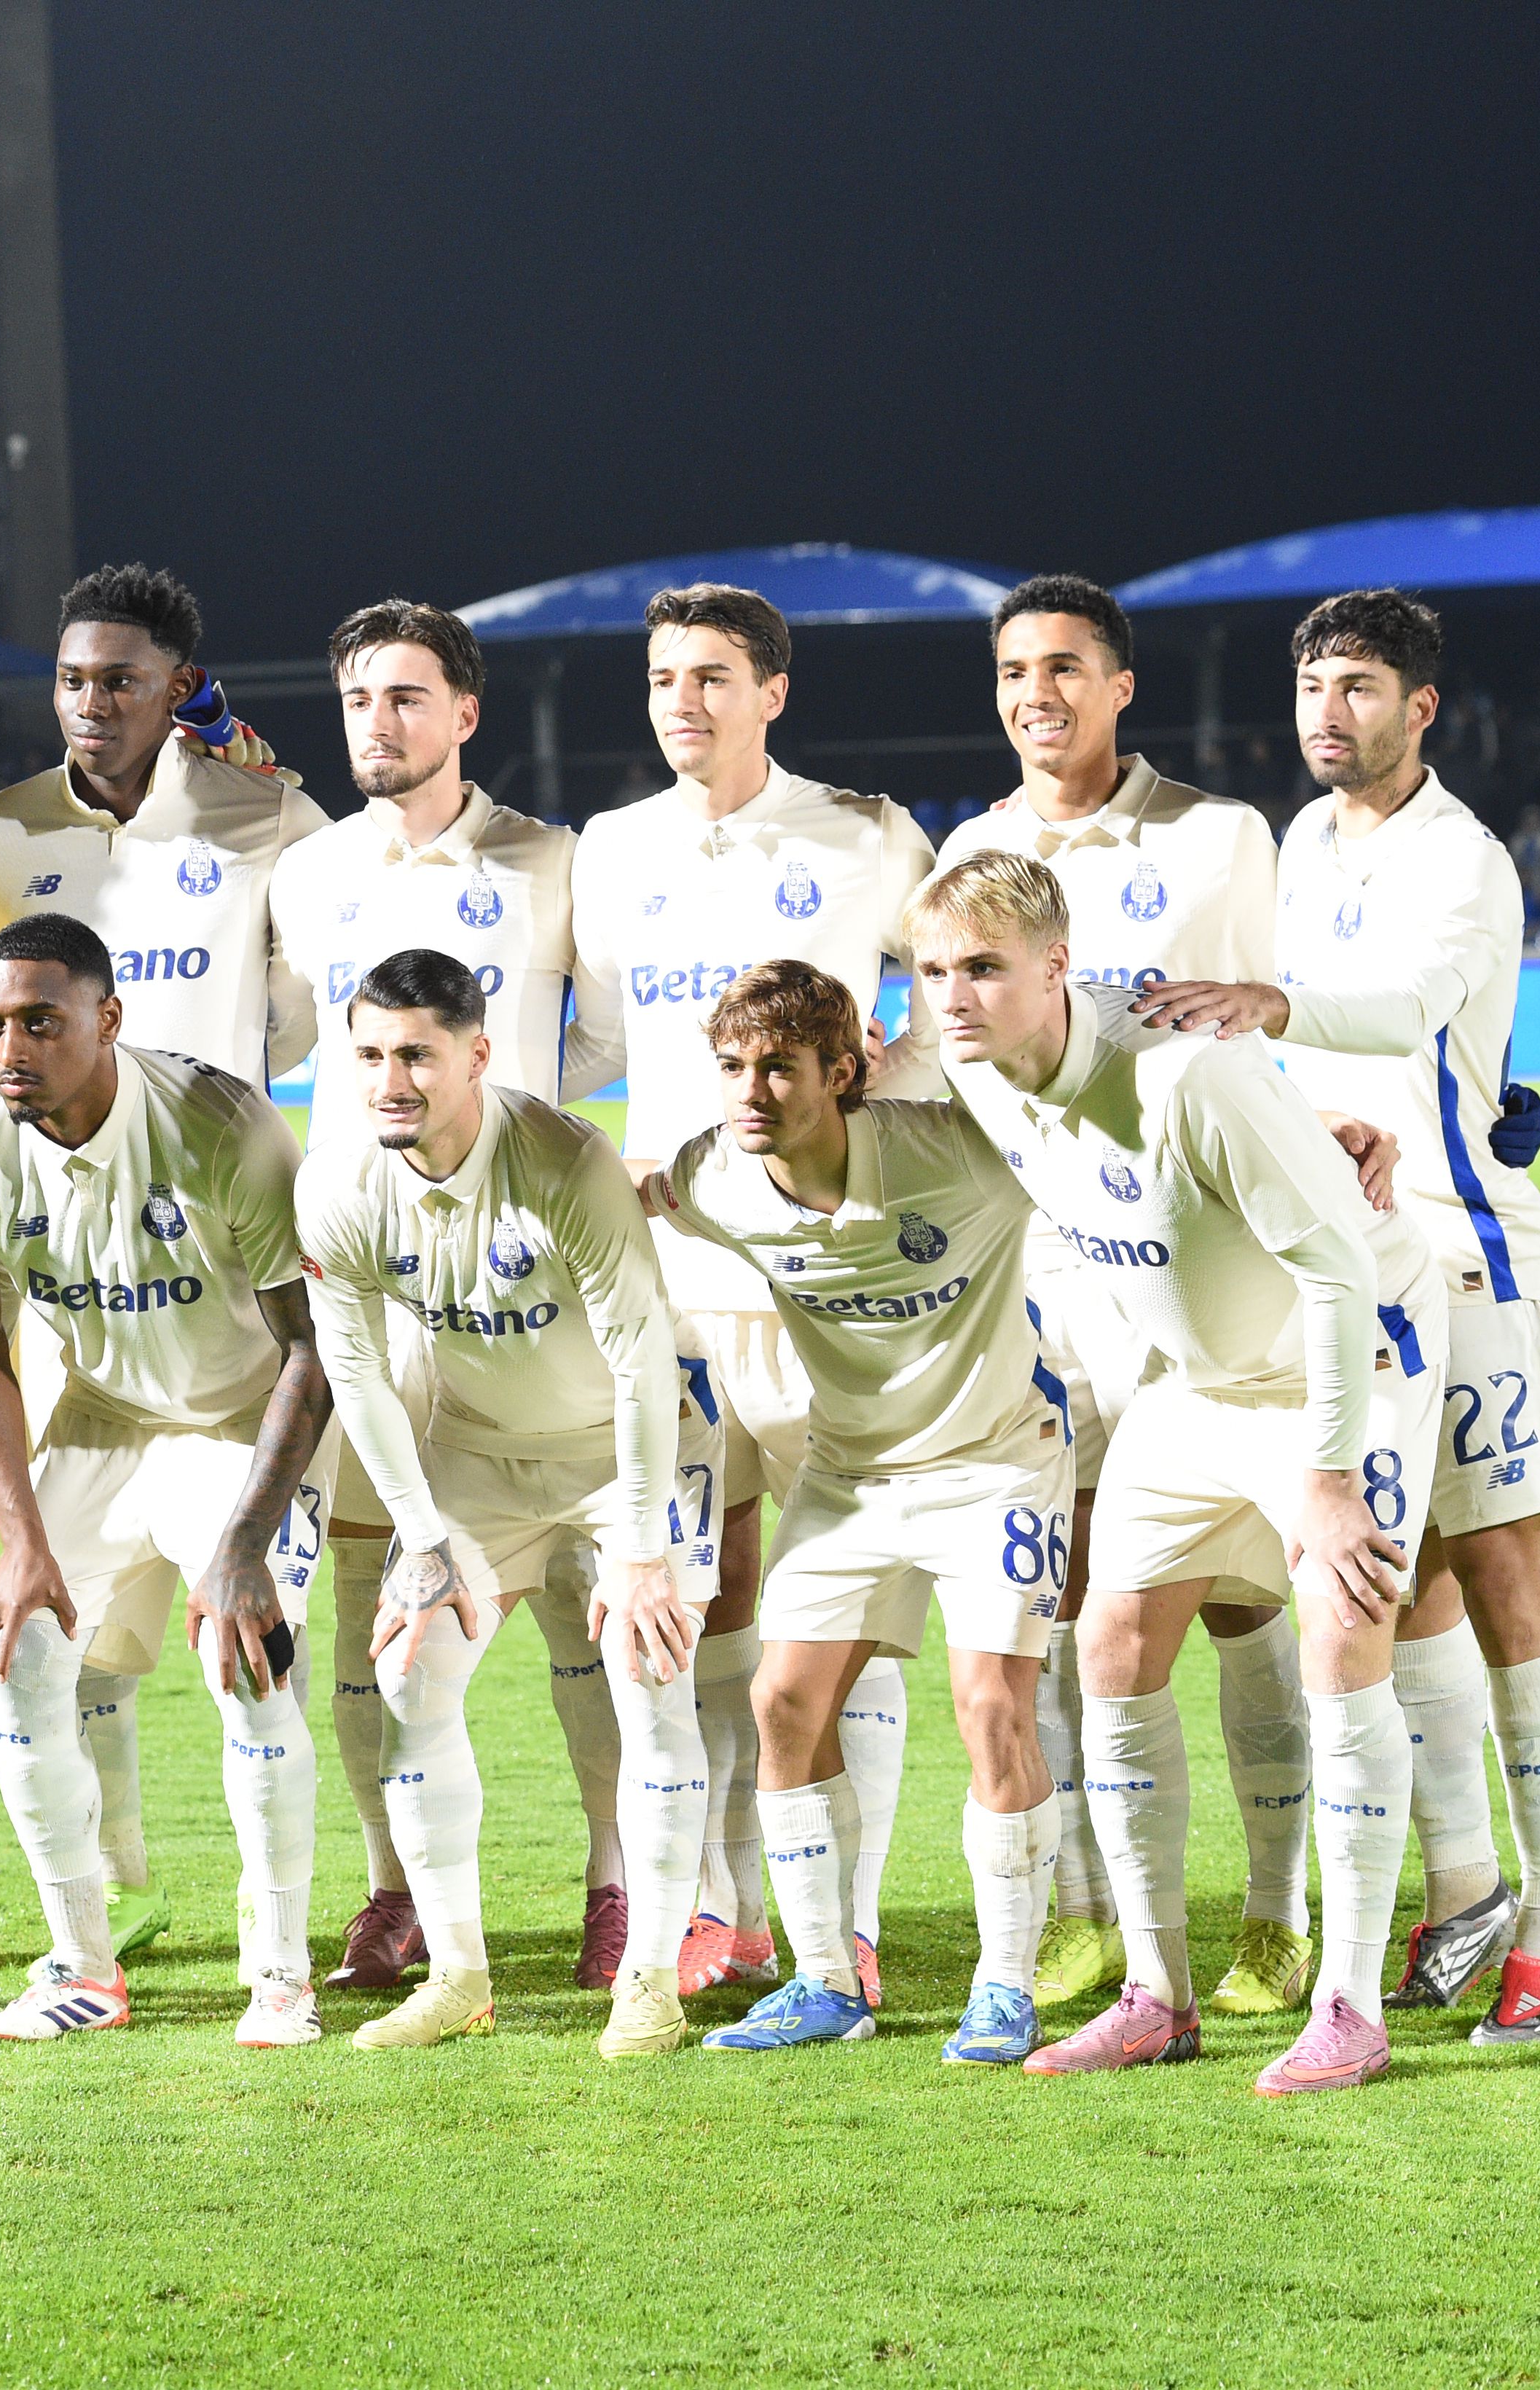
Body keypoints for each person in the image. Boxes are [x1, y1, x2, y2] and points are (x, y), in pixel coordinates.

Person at [1133, 587, 1540, 2047]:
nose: (1330, 712)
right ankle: (1460, 1883)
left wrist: (1266, 1001)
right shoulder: (1290, 846)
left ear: (1420, 709)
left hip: (1471, 1250)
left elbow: (1404, 1009)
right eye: (1312, 686)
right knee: (1395, 1581)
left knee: (1504, 1577)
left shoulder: (1464, 860)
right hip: (1355, 1241)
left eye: (1360, 687)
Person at [913, 850, 1444, 2093]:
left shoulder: (1188, 1067)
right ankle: (1159, 1993)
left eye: (984, 968)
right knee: (1110, 1648)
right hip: (1193, 1384)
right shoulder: (980, 1072)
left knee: (1340, 1630)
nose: (954, 996)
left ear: (1057, 966)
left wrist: (1325, 1475)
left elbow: (1337, 1273)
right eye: (934, 970)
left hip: (1342, 1359)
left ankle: (1352, 2007)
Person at [934, 574, 1319, 2021]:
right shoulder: (968, 847)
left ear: (1118, 686)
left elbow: (1276, 1018)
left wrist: (1339, 1130)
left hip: (1195, 1269)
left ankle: (1276, 1914)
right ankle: (1085, 1915)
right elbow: (960, 1079)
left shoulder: (1218, 837)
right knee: (1049, 1590)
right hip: (1038, 1284)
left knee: (1227, 1599)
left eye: (1066, 668)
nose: (1037, 693)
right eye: (1014, 671)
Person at [0, 565, 334, 1964]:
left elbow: (314, 1012)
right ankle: (114, 1892)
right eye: (71, 679)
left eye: (121, 678)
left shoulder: (268, 817)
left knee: (254, 1621)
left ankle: (309, 1935)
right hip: (69, 1271)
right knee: (77, 1624)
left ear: (181, 687)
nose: (90, 703)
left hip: (228, 1252)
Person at [572, 583, 944, 2007]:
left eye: (714, 676)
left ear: (771, 692)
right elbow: (592, 1030)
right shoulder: (608, 853)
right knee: (689, 1603)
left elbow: (947, 1001)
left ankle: (845, 1921)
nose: (684, 701)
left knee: (850, 1602)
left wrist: (885, 1102)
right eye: (665, 677)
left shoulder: (860, 835)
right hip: (667, 1287)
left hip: (830, 1283)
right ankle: (718, 1902)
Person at [266, 599, 633, 1995]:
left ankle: (613, 1882)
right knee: (379, 1591)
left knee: (576, 1601)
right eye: (360, 697)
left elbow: (598, 1036)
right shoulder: (306, 877)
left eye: (409, 697)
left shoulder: (551, 862)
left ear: (465, 715)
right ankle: (395, 1890)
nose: (381, 722)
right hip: (372, 1291)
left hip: (526, 1286)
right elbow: (298, 1039)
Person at [0, 913, 337, 2045]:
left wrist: (246, 1543)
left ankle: (281, 1972)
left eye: (41, 1022)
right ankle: (80, 1966)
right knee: (21, 1652)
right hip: (101, 1423)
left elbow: (312, 1346)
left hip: (242, 1425)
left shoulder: (218, 1127)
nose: (11, 1049)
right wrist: (22, 1540)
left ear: (108, 1020)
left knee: (248, 1665)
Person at [295, 949, 725, 2058]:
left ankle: (651, 1986)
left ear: (477, 1055)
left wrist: (637, 1551)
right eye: (372, 1056)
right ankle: (461, 1979)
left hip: (628, 1452)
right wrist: (425, 1534)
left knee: (649, 1673)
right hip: (475, 1457)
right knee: (408, 1673)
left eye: (418, 1056)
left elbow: (641, 1364)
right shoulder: (339, 1182)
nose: (391, 1080)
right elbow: (356, 1373)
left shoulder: (563, 1162)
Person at [659, 961, 1071, 2064]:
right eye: (734, 1069)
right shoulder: (719, 1175)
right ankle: (826, 1980)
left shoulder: (959, 1154)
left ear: (843, 1074)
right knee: (784, 1702)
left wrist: (1335, 1133)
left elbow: (1112, 1141)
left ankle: (1005, 1986)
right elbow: (617, 1192)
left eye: (780, 1070)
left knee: (992, 1708)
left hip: (997, 1463)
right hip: (851, 1478)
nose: (751, 1093)